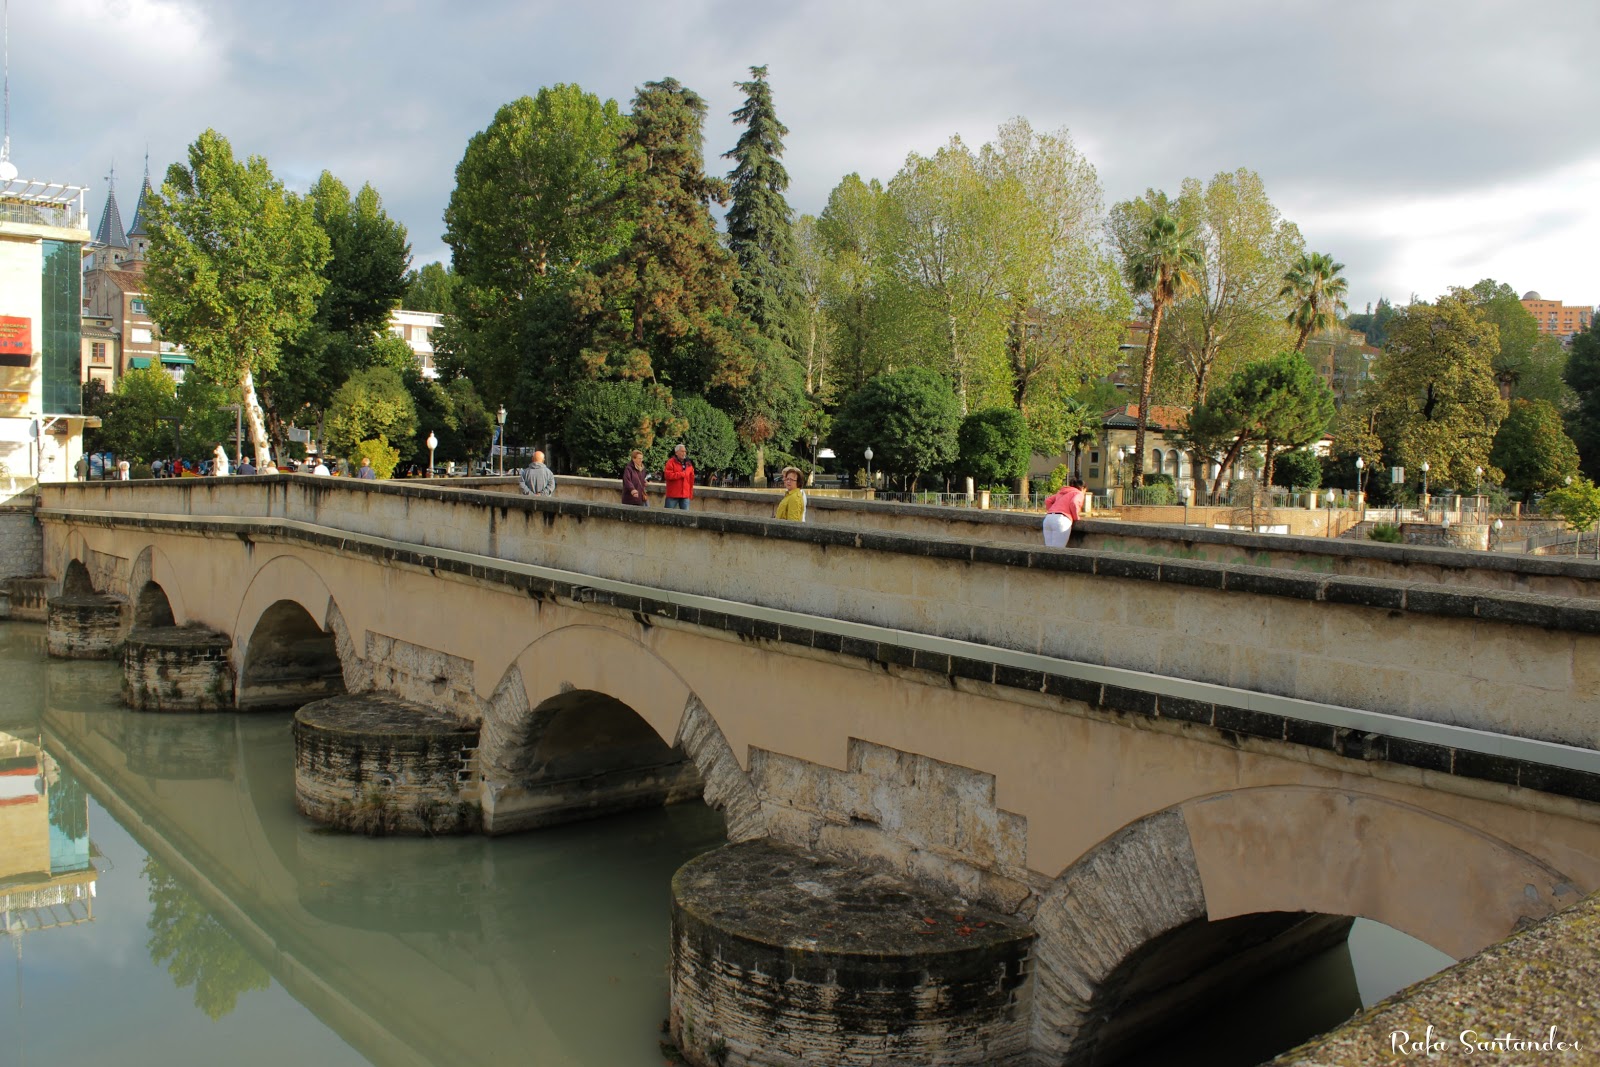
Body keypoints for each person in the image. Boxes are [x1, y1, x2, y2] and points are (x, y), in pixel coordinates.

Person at [1042, 477, 1086, 548]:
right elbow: (1074, 503)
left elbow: (1048, 501)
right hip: (1062, 520)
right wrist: (1076, 517)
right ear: (1083, 488)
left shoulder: (1062, 492)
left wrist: (1053, 510)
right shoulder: (1079, 493)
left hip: (1048, 519)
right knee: (1058, 551)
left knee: (1049, 551)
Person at [663, 444, 694, 510]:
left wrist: (690, 493)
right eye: (682, 451)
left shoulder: (688, 463)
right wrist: (681, 474)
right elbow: (668, 475)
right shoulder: (670, 462)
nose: (684, 453)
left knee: (686, 517)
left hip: (685, 495)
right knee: (668, 515)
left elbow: (691, 479)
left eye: (685, 451)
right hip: (673, 494)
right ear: (676, 452)